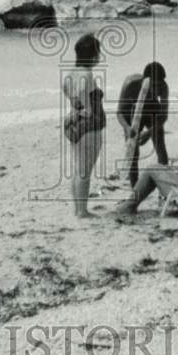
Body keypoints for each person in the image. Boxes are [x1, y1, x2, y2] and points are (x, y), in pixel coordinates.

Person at [62, 33, 106, 219]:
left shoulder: (70, 74)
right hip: (89, 126)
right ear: (93, 54)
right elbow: (87, 107)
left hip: (74, 125)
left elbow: (73, 98)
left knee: (78, 168)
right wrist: (84, 109)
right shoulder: (86, 74)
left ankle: (77, 208)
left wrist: (77, 109)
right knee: (84, 170)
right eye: (98, 52)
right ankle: (82, 211)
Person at [116, 61, 169, 187]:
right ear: (146, 81)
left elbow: (163, 115)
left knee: (161, 148)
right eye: (154, 86)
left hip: (152, 109)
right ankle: (135, 189)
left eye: (159, 86)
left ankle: (165, 184)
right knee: (133, 152)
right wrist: (127, 128)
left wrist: (149, 133)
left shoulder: (163, 87)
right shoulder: (131, 85)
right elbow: (119, 113)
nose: (157, 91)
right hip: (132, 111)